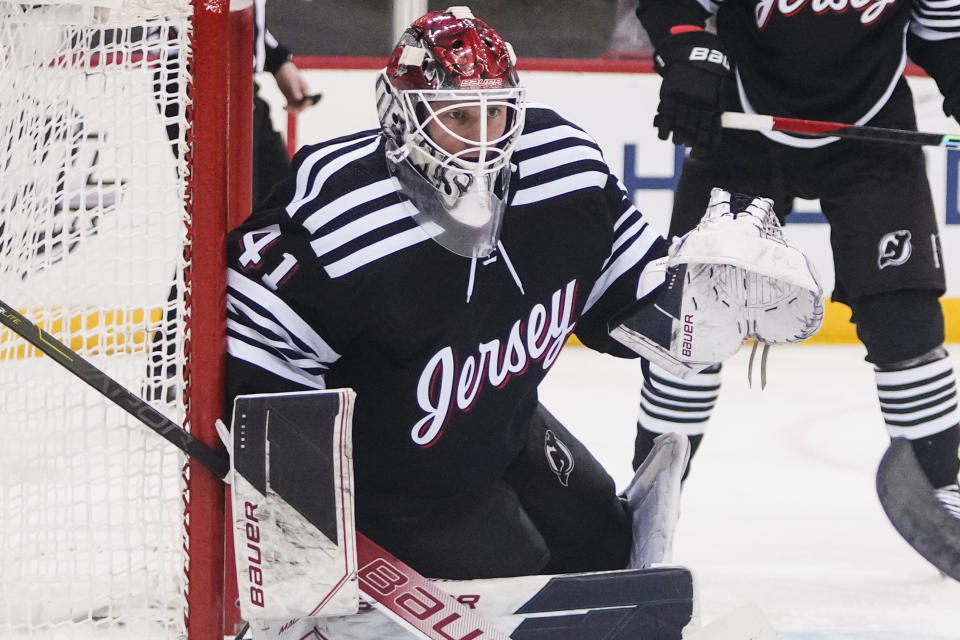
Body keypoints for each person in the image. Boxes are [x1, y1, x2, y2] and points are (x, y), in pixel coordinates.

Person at [223, 6, 821, 580]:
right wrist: (300, 520)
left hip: (506, 429)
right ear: (401, 115)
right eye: (457, 117)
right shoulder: (336, 208)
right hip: (396, 482)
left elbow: (626, 291)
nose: (482, 141)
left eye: (497, 115)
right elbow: (257, 347)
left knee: (609, 546)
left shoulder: (564, 165)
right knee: (521, 581)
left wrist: (700, 310)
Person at [631, 0, 960, 516]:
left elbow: (944, 32)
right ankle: (646, 499)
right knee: (691, 319)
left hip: (872, 139)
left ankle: (943, 500)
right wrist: (688, 49)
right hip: (744, 128)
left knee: (906, 321)